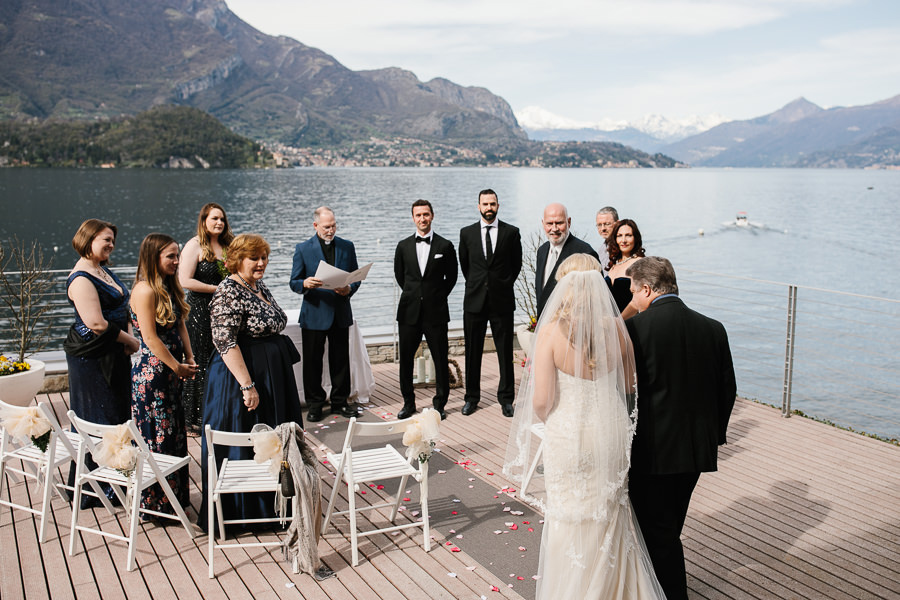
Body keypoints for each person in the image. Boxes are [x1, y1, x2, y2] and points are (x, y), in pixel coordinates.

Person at [504, 253, 665, 599]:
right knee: (610, 515)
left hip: (570, 434)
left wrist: (561, 419)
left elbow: (542, 402)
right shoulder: (618, 330)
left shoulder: (548, 334)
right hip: (610, 433)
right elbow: (628, 387)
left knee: (570, 521)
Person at [625, 257, 736, 600]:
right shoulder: (713, 327)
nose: (633, 300)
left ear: (647, 288)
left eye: (633, 292)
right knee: (669, 525)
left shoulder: (636, 330)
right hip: (695, 450)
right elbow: (727, 389)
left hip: (652, 450)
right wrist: (712, 435)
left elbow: (626, 393)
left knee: (660, 532)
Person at [200, 233, 304, 526]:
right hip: (241, 379)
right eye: (254, 258)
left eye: (263, 257)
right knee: (248, 439)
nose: (261, 263)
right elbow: (224, 341)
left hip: (271, 376)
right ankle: (247, 513)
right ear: (236, 260)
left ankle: (275, 505)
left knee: (272, 437)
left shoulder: (257, 286)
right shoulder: (228, 290)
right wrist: (248, 385)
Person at [64, 219, 140, 505]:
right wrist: (130, 342)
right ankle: (100, 488)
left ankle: (121, 478)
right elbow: (95, 323)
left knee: (119, 413)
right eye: (105, 239)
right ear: (88, 239)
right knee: (102, 416)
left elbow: (122, 307)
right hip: (93, 357)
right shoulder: (82, 278)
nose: (110, 245)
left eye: (112, 240)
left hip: (114, 350)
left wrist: (130, 334)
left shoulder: (102, 270)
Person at [130, 233, 197, 515]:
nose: (177, 260)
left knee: (173, 432)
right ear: (153, 257)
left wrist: (190, 357)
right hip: (153, 374)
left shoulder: (169, 287)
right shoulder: (145, 290)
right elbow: (150, 338)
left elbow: (180, 324)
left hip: (171, 372)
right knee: (158, 435)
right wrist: (176, 366)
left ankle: (175, 497)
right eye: (170, 256)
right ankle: (156, 501)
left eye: (177, 255)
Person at [289, 206, 361, 422]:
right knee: (312, 362)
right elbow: (293, 282)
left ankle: (340, 402)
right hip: (314, 313)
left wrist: (349, 289)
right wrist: (305, 283)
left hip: (340, 311)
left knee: (341, 361)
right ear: (315, 225)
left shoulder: (347, 246)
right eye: (326, 227)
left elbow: (355, 276)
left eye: (334, 226)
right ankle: (315, 404)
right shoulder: (303, 249)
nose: (331, 230)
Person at [458, 189, 522, 418]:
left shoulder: (511, 233)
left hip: (502, 301)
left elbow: (516, 265)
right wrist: (480, 285)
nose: (489, 207)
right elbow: (465, 266)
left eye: (492, 203)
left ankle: (506, 399)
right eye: (485, 204)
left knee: (505, 352)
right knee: (472, 352)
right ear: (478, 206)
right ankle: (471, 399)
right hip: (474, 300)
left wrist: (500, 285)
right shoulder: (466, 234)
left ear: (498, 205)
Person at [394, 199, 458, 420]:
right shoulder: (402, 246)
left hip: (436, 312)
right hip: (409, 312)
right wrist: (415, 296)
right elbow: (400, 277)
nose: (422, 219)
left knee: (440, 359)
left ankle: (440, 404)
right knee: (406, 360)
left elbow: (452, 278)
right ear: (413, 218)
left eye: (426, 214)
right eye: (418, 215)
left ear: (432, 216)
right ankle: (408, 403)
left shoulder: (445, 246)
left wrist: (435, 297)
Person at [179, 202, 234, 436]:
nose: (219, 222)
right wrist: (217, 289)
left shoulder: (229, 245)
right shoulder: (195, 245)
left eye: (221, 218)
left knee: (222, 359)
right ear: (204, 221)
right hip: (200, 311)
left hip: (225, 311)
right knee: (201, 360)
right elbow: (185, 280)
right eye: (214, 219)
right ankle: (194, 417)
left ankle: (219, 411)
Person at [534, 203, 598, 317]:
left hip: (571, 325)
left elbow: (593, 298)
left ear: (569, 222)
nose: (554, 228)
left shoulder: (585, 252)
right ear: (543, 223)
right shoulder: (542, 251)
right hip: (544, 325)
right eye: (549, 223)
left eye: (559, 223)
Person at [606, 218, 646, 319]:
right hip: (608, 323)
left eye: (628, 235)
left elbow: (638, 300)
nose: (623, 240)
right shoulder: (614, 263)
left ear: (635, 238)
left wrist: (619, 322)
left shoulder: (639, 263)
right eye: (619, 236)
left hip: (628, 322)